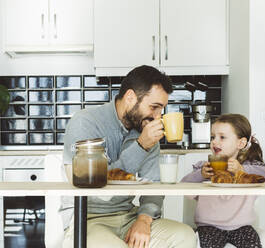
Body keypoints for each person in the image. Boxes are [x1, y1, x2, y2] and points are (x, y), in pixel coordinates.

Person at [61, 65, 196, 248]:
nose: (158, 117)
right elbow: (96, 192)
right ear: (130, 97)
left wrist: (144, 220)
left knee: (184, 236)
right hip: (87, 218)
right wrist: (140, 146)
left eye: (161, 109)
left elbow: (154, 186)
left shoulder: (146, 131)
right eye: (154, 107)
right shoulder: (86, 122)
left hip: (127, 216)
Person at [181, 114, 265, 248]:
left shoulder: (248, 168)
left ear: (241, 143)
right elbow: (183, 187)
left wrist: (242, 169)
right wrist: (201, 175)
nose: (214, 142)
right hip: (208, 227)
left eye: (222, 137)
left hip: (242, 227)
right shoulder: (204, 167)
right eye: (212, 137)